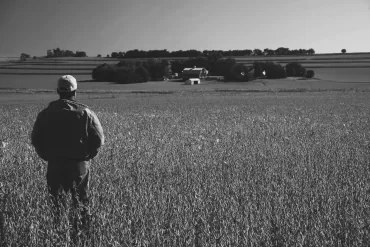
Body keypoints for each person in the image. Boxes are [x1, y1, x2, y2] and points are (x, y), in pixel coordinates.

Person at [31, 75, 104, 232]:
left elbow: (36, 139)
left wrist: (46, 156)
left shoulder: (45, 114)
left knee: (57, 204)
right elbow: (99, 139)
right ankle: (82, 236)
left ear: (58, 91)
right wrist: (89, 155)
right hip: (79, 166)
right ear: (75, 92)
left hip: (55, 164)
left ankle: (59, 234)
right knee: (81, 203)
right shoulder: (86, 113)